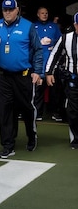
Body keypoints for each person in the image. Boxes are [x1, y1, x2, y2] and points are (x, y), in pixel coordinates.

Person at [0, 0, 43, 158]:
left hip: (23, 76)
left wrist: (37, 71)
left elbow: (38, 50)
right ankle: (8, 145)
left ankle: (31, 135)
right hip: (2, 75)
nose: (7, 12)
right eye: (5, 10)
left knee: (26, 108)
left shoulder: (28, 26)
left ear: (17, 10)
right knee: (5, 110)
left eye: (10, 9)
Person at [46, 13, 78, 148]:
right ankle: (76, 138)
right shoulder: (66, 38)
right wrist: (48, 73)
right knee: (73, 110)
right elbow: (55, 54)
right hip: (73, 79)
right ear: (75, 25)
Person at [33, 7, 61, 120]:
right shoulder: (33, 26)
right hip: (38, 63)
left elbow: (61, 42)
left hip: (52, 63)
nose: (44, 15)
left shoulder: (54, 27)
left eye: (46, 13)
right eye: (42, 13)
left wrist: (52, 43)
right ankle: (38, 113)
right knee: (38, 90)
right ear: (38, 14)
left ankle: (56, 113)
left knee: (55, 90)